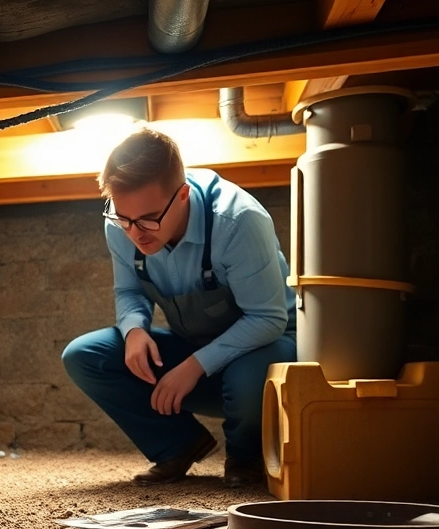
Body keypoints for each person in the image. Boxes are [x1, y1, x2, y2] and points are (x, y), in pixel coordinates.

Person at [62, 127, 296, 487]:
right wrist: (135, 329)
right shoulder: (122, 220)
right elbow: (128, 290)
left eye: (149, 219)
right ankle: (177, 445)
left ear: (183, 195)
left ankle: (245, 457)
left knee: (250, 374)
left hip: (267, 351)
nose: (136, 233)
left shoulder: (239, 221)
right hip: (196, 347)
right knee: (84, 355)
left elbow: (267, 319)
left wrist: (193, 367)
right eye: (124, 219)